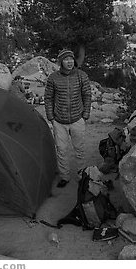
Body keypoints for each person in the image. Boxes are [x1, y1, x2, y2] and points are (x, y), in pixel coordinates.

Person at [44, 49, 92, 188]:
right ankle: (64, 176)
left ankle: (81, 174)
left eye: (71, 59)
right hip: (59, 121)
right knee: (61, 150)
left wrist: (85, 115)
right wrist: (51, 117)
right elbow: (48, 98)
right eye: (66, 59)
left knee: (80, 149)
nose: (69, 62)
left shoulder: (81, 75)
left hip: (78, 119)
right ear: (61, 62)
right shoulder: (53, 78)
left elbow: (87, 95)